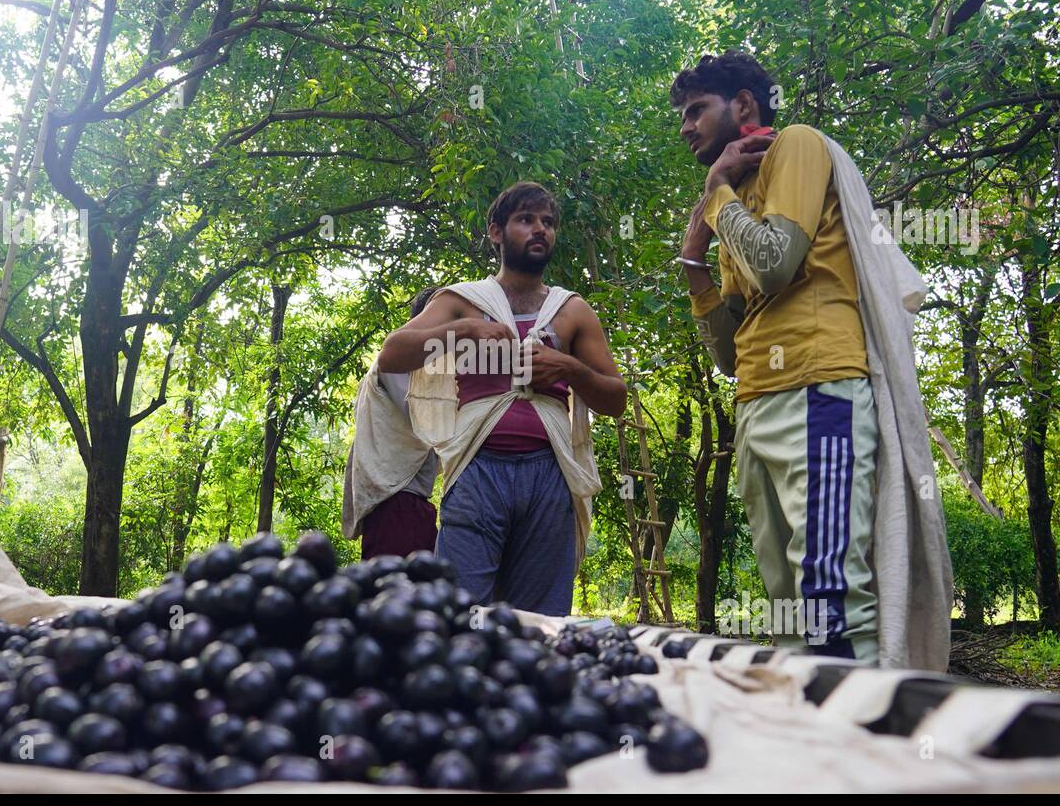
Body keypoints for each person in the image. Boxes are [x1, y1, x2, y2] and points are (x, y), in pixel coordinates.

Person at [673, 51, 881, 661]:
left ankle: (858, 742)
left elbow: (774, 264)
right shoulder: (735, 195)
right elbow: (729, 353)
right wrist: (693, 264)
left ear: (743, 105)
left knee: (828, 591)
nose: (685, 126)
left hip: (819, 387)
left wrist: (715, 199)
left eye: (695, 111)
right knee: (786, 606)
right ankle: (802, 741)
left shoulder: (796, 144)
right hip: (756, 401)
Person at [378, 181, 626, 616]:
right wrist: (464, 331)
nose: (539, 230)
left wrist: (567, 368)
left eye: (548, 223)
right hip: (477, 471)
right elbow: (392, 355)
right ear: (496, 232)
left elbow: (616, 399)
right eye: (526, 220)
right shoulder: (462, 302)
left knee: (541, 620)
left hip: (550, 475)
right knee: (461, 615)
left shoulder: (572, 311)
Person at [342, 288, 442, 560]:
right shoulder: (397, 362)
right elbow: (426, 419)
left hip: (406, 502)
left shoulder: (419, 369)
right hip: (397, 500)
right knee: (397, 590)